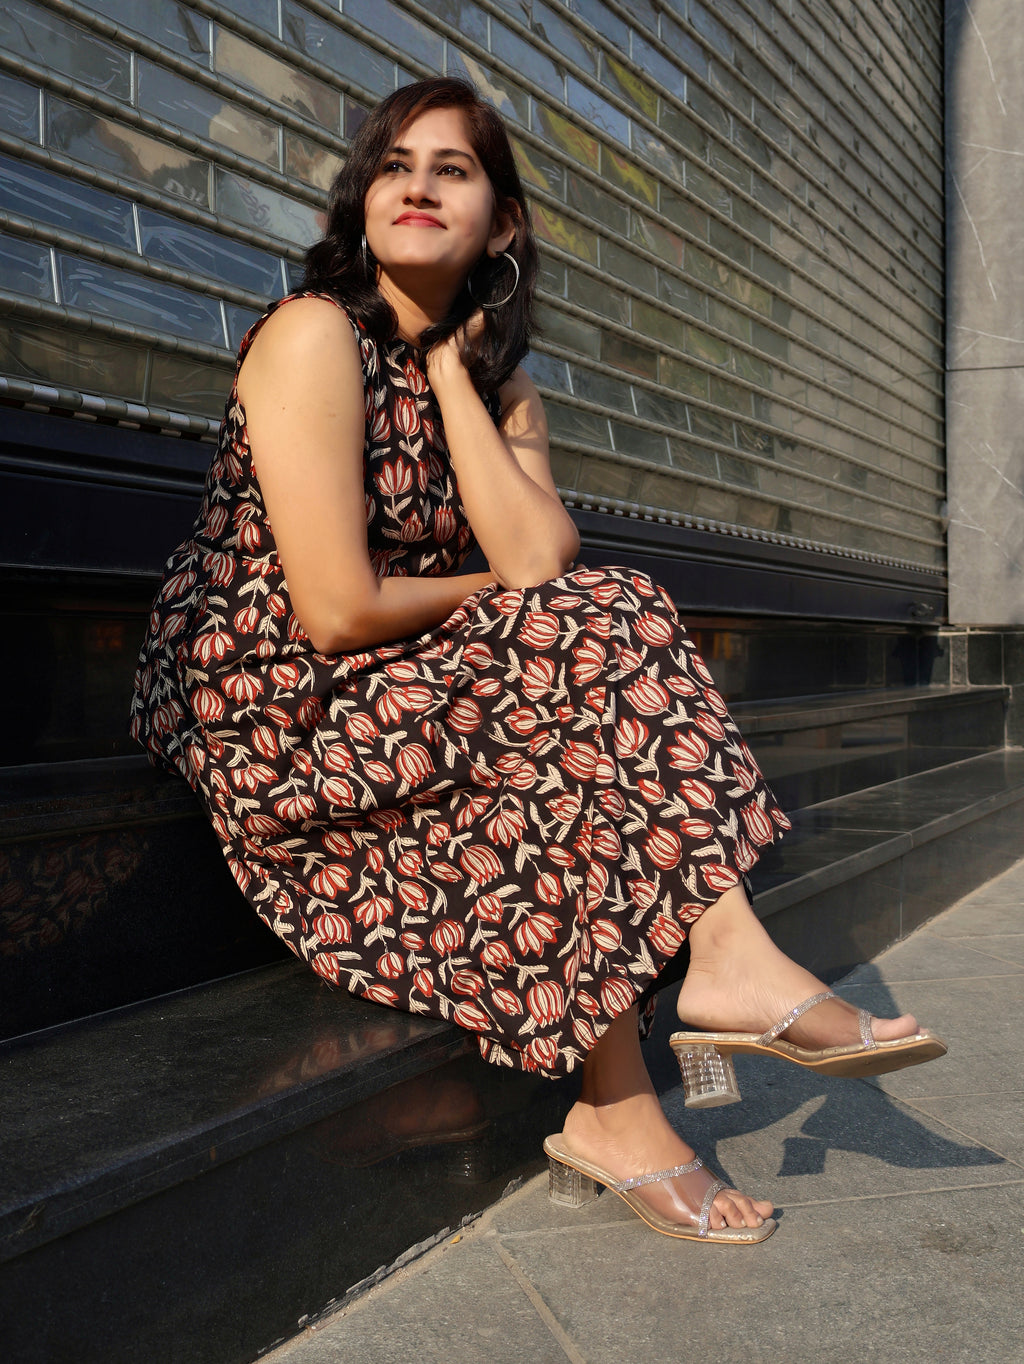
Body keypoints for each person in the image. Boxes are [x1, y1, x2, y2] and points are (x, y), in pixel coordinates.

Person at [131, 77, 945, 1245]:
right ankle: (713, 971)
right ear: (363, 197)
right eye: (394, 164)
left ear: (503, 223)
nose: (414, 183)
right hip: (275, 703)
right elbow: (337, 606)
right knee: (590, 624)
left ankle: (635, 1091)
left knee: (582, 655)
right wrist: (513, 602)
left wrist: (458, 375)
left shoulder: (497, 379)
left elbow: (536, 549)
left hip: (402, 687)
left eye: (451, 168)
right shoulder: (313, 336)